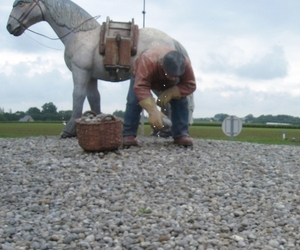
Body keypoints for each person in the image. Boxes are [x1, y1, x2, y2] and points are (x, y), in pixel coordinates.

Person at [122, 46, 196, 146]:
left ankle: (181, 135)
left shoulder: (185, 63)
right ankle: (128, 134)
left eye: (176, 75)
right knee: (134, 100)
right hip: (142, 75)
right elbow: (140, 86)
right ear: (162, 64)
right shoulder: (147, 60)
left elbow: (190, 84)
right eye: (170, 75)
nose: (173, 78)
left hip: (166, 80)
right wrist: (153, 110)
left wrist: (172, 92)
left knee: (181, 100)